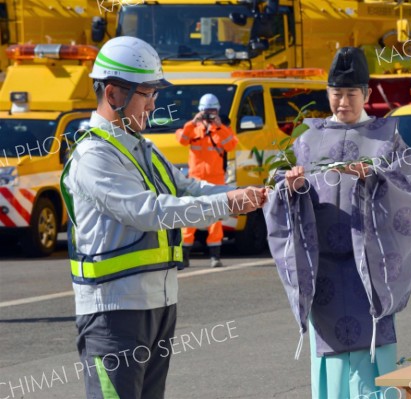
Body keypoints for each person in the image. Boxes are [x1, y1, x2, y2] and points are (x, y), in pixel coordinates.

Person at [60, 36, 266, 399]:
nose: (154, 104)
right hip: (113, 312)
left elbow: (190, 189)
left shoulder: (143, 147)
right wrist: (227, 205)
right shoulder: (94, 156)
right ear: (113, 94)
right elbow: (148, 212)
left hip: (157, 306)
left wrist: (258, 193)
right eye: (147, 94)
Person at [264, 47, 411, 399]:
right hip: (324, 270)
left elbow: (409, 189)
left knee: (373, 358)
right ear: (328, 93)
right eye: (336, 93)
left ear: (366, 94)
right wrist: (290, 187)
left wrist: (374, 179)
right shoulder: (307, 141)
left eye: (351, 94)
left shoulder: (387, 139)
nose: (343, 102)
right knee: (330, 360)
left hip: (369, 267)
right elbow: (278, 187)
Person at [176, 93, 238, 268]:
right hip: (195, 179)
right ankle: (184, 255)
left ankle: (215, 257)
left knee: (215, 219)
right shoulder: (193, 128)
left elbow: (231, 144)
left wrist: (220, 127)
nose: (210, 114)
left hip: (216, 178)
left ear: (217, 111)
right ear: (200, 111)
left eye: (212, 111)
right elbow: (181, 139)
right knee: (189, 217)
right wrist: (192, 122)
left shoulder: (221, 129)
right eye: (206, 111)